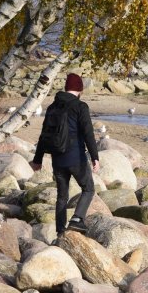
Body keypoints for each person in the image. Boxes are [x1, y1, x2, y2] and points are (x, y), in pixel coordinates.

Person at [31, 73, 100, 237]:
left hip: (57, 159)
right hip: (76, 157)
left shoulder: (53, 107)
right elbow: (88, 133)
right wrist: (95, 157)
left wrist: (37, 159)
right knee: (88, 189)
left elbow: (44, 134)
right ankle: (77, 219)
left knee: (62, 196)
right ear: (80, 89)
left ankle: (61, 232)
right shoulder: (80, 107)